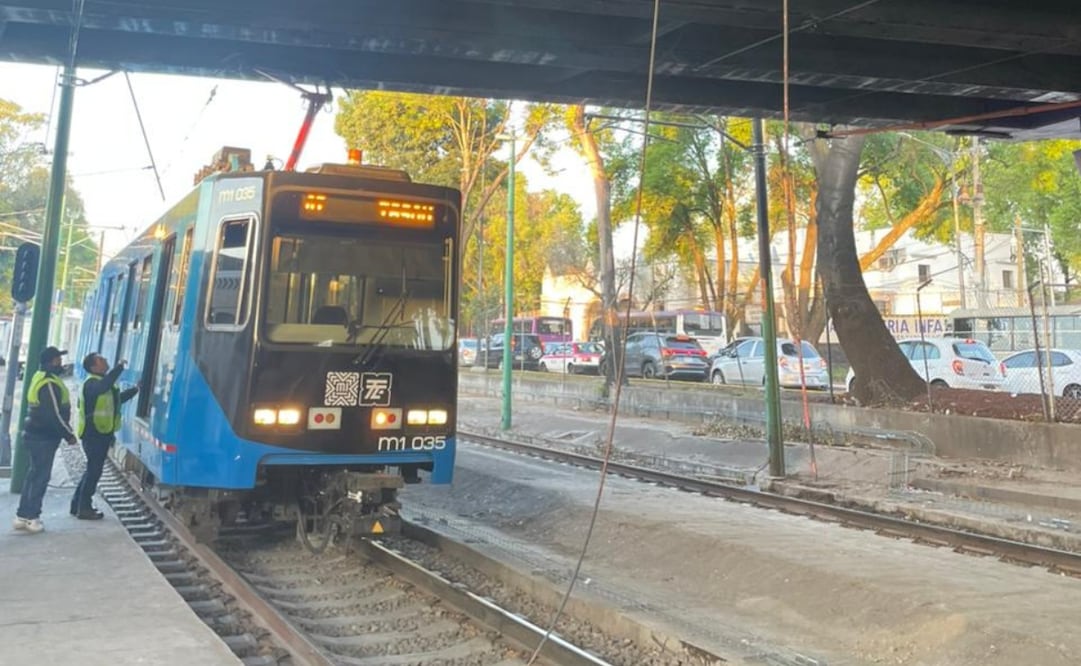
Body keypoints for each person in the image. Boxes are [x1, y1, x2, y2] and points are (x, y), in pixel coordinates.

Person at [13, 347, 78, 534]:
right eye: (58, 359)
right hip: (43, 438)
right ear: (51, 362)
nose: (61, 363)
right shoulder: (49, 383)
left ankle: (22, 515)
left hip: (36, 435)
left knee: (33, 475)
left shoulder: (39, 377)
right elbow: (54, 415)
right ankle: (32, 517)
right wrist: (69, 435)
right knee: (40, 477)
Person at [71, 353, 138, 520]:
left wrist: (135, 390)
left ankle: (77, 504)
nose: (106, 360)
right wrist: (120, 367)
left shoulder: (100, 384)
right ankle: (84, 508)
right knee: (94, 472)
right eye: (102, 360)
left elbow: (116, 400)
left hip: (100, 434)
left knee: (91, 471)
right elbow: (104, 387)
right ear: (94, 367)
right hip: (93, 435)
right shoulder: (92, 384)